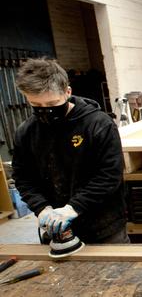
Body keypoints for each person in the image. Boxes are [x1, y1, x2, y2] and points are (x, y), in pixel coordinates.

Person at [12, 58, 129, 243]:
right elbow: (23, 177)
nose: (45, 111)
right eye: (36, 105)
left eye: (52, 104)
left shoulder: (98, 124)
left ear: (67, 92)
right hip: (56, 228)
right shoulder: (26, 132)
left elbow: (109, 175)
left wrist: (73, 208)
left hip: (104, 226)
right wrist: (42, 208)